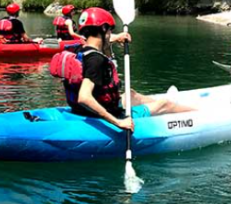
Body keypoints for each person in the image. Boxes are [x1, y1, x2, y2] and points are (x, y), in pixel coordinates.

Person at [63, 7, 193, 132]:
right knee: (165, 105)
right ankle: (197, 113)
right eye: (109, 31)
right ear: (103, 28)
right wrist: (118, 122)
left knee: (131, 94)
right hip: (109, 115)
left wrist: (115, 39)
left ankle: (168, 103)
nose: (110, 34)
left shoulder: (79, 50)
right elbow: (84, 97)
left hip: (82, 110)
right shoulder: (96, 60)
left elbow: (100, 43)